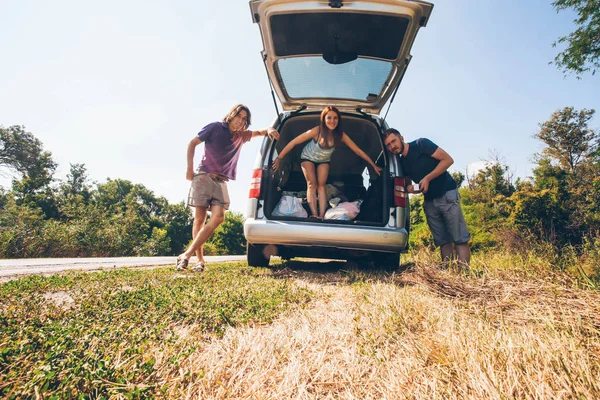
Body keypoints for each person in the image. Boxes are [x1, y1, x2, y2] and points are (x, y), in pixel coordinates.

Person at [176, 104, 279, 272]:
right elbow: (192, 143)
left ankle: (186, 254)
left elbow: (259, 132)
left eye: (245, 119)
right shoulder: (215, 127)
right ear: (232, 114)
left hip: (221, 182)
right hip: (203, 176)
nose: (241, 121)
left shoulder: (242, 136)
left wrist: (269, 129)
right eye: (239, 116)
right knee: (199, 220)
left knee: (218, 217)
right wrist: (189, 169)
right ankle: (199, 261)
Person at [272, 106, 382, 219]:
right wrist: (279, 158)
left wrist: (373, 165)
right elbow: (294, 142)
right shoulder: (317, 131)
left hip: (323, 160)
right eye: (329, 118)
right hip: (307, 157)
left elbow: (358, 150)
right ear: (324, 119)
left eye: (335, 118)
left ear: (338, 120)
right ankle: (314, 215)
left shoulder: (340, 135)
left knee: (322, 186)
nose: (332, 121)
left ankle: (322, 216)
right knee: (312, 184)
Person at [383, 128, 470, 267]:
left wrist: (428, 178)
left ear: (401, 138)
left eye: (393, 141)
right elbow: (408, 183)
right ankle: (448, 272)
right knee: (442, 240)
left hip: (447, 193)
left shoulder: (421, 144)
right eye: (388, 145)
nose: (392, 146)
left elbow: (448, 160)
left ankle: (464, 272)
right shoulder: (402, 162)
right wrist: (410, 188)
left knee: (459, 237)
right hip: (429, 200)